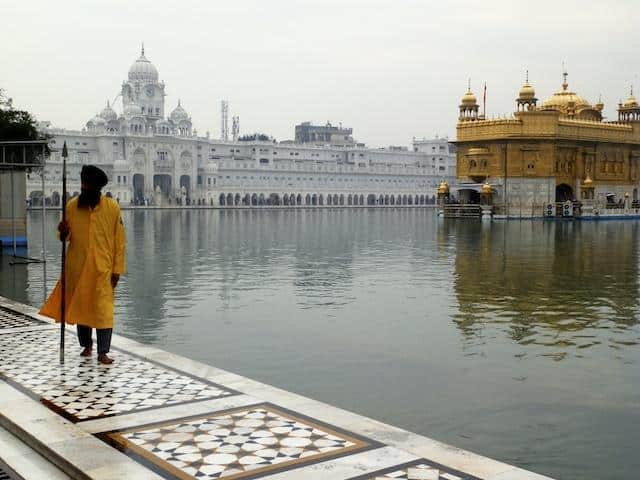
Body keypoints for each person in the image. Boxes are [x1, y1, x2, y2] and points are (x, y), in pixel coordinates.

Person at [40, 165, 126, 365]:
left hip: (102, 269)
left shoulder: (112, 208)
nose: (85, 191)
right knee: (82, 307)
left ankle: (103, 351)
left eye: (89, 188)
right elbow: (65, 237)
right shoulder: (72, 206)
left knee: (103, 309)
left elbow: (119, 241)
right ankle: (86, 345)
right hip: (77, 267)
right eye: (83, 187)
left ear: (98, 189)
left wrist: (117, 269)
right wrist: (62, 231)